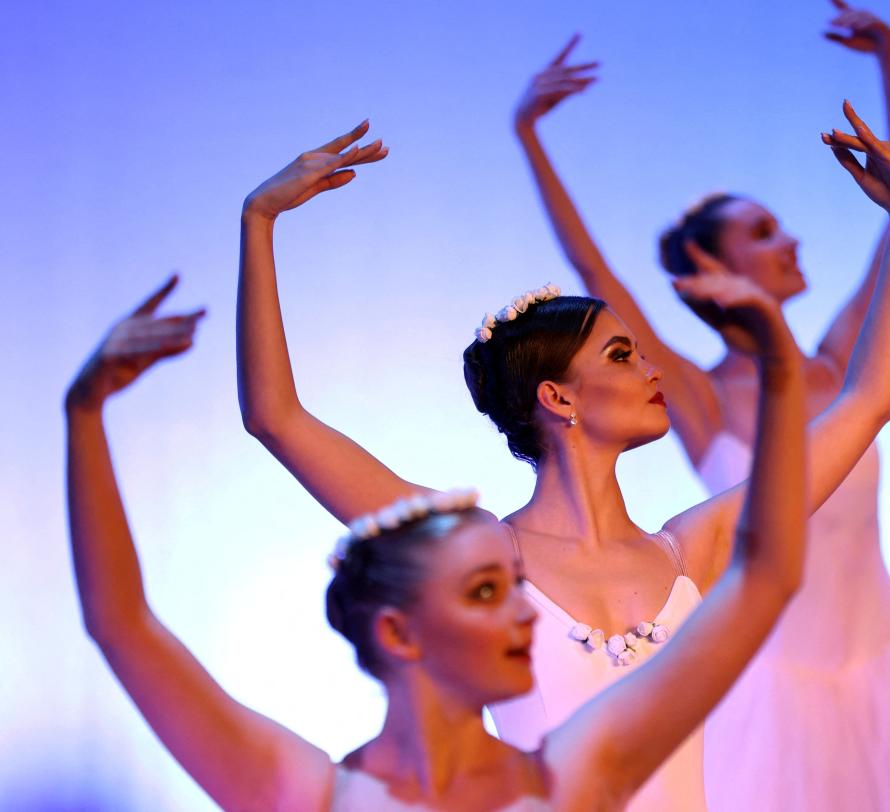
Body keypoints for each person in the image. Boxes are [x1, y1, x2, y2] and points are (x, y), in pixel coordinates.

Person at [237, 98, 890, 809]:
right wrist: (259, 221)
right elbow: (277, 420)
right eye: (623, 355)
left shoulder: (696, 550)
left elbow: (869, 401)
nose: (652, 370)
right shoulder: (476, 550)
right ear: (558, 397)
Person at [512, 5, 890, 810]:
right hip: (770, 703)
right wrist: (528, 135)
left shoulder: (839, 369)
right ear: (706, 263)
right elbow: (589, 263)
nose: (790, 241)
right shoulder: (689, 395)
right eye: (762, 233)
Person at [65, 258, 808, 808]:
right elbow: (122, 626)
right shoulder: (316, 796)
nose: (526, 606)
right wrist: (85, 419)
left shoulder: (577, 777)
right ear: (398, 630)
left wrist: (779, 365)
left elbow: (768, 575)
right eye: (490, 588)